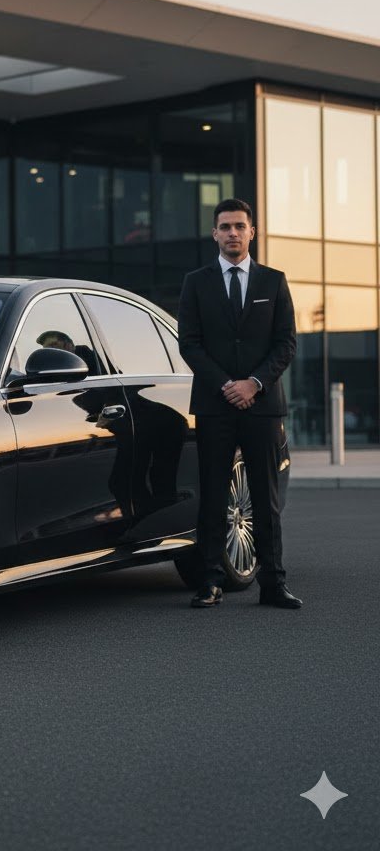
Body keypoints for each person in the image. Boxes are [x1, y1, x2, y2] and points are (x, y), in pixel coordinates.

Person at [177, 198, 301, 609]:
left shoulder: (273, 281)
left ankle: (273, 583)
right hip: (214, 404)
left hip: (263, 405)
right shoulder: (196, 282)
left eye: (239, 226)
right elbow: (189, 344)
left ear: (252, 232)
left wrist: (254, 383)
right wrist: (228, 385)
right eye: (225, 226)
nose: (232, 233)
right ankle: (210, 581)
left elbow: (286, 343)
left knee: (265, 498)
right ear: (214, 233)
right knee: (212, 494)